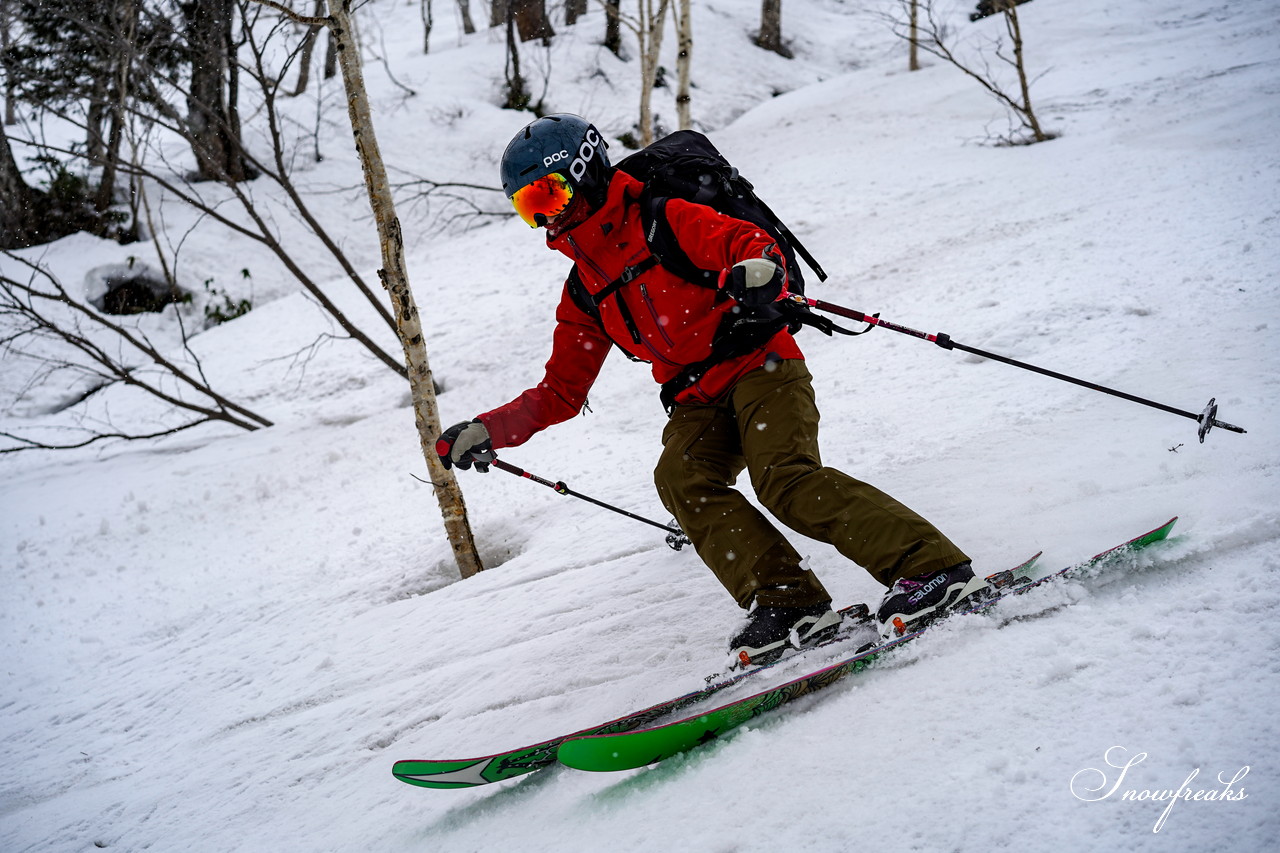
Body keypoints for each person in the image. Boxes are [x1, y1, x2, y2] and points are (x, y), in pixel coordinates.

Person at [436, 114, 982, 666]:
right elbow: (560, 390)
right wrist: (488, 430)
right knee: (681, 479)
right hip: (695, 399)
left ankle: (929, 567)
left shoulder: (661, 219)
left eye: (548, 194)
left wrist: (760, 267)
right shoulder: (585, 289)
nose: (545, 216)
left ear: (585, 169)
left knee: (784, 480)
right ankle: (789, 602)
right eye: (529, 207)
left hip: (759, 364)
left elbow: (746, 241)